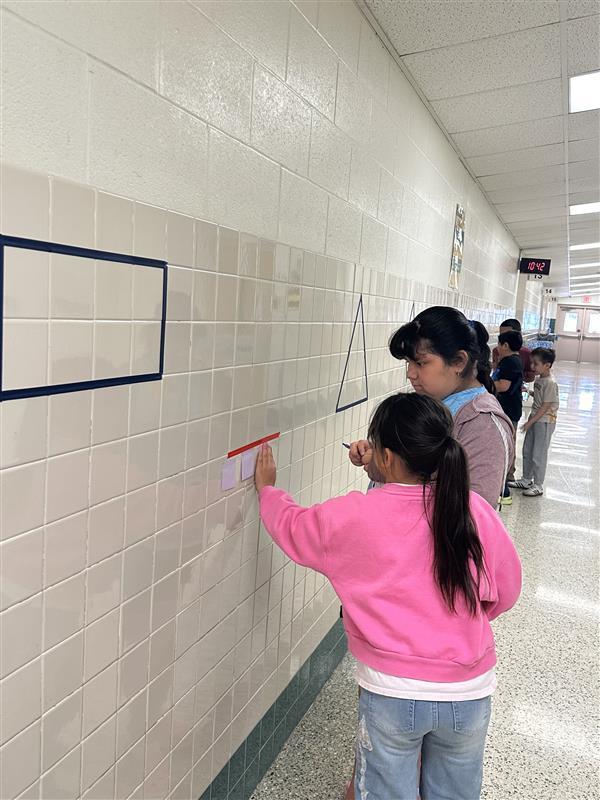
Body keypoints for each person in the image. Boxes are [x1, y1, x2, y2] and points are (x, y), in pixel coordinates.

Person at [255, 393, 522, 800]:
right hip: (469, 690)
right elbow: (506, 588)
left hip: (393, 692)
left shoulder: (356, 515)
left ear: (389, 458)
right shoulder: (469, 508)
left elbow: (294, 528)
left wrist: (268, 491)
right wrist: (463, 623)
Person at [350, 307, 514, 509]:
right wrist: (381, 451)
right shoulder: (432, 403)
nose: (411, 373)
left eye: (421, 363)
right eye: (408, 362)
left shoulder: (483, 426)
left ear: (459, 362)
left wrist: (385, 467)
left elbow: (470, 518)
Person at [509, 347, 559, 497]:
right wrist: (528, 391)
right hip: (535, 418)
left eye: (535, 364)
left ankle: (538, 484)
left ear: (547, 365)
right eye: (532, 363)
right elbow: (539, 397)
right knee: (528, 449)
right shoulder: (540, 379)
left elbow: (545, 406)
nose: (532, 367)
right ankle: (526, 480)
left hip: (544, 421)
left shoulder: (550, 382)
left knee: (538, 453)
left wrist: (530, 422)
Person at [492, 330, 524, 506]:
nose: (497, 348)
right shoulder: (514, 361)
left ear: (505, 345)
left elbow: (503, 386)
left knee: (503, 448)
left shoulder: (510, 362)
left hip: (508, 410)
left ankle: (503, 490)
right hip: (510, 409)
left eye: (498, 344)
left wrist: (485, 384)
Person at [492, 318, 535, 383]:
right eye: (501, 335)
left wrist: (514, 374)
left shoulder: (527, 353)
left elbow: (531, 377)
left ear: (518, 334)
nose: (504, 339)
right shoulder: (496, 351)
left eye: (508, 334)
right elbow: (495, 372)